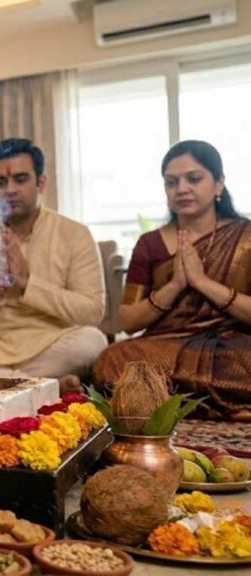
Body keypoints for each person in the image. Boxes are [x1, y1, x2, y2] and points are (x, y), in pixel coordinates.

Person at [93, 141, 251, 421]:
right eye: (171, 182)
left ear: (218, 184)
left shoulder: (246, 237)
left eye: (194, 178)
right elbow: (128, 322)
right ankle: (229, 407)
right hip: (168, 347)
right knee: (111, 362)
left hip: (233, 348)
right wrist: (175, 285)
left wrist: (202, 282)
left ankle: (165, 404)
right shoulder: (150, 244)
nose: (182, 189)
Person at [0, 138, 107, 391]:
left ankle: (5, 385)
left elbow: (92, 311)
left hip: (51, 342)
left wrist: (27, 284)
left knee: (92, 342)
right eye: (1, 182)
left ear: (40, 182)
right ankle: (39, 386)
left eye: (20, 179)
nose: (10, 189)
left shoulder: (75, 233)